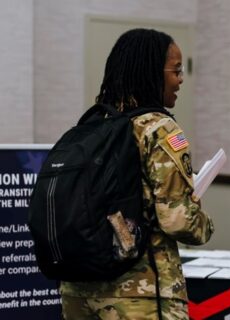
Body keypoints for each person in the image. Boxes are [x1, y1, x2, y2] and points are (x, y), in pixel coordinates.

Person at [59, 28, 214, 319]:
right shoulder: (158, 128)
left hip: (77, 290)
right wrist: (205, 224)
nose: (181, 79)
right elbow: (178, 221)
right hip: (140, 294)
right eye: (176, 70)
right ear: (152, 73)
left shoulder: (91, 125)